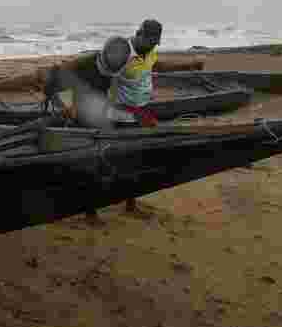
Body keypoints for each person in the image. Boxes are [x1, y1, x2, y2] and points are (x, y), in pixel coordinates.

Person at [45, 19, 203, 223]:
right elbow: (61, 77)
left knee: (134, 157)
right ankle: (90, 211)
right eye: (149, 40)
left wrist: (189, 65)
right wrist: (70, 105)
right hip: (107, 112)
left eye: (155, 42)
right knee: (97, 160)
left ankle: (128, 202)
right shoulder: (110, 56)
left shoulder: (134, 57)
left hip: (129, 111)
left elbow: (155, 66)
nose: (152, 45)